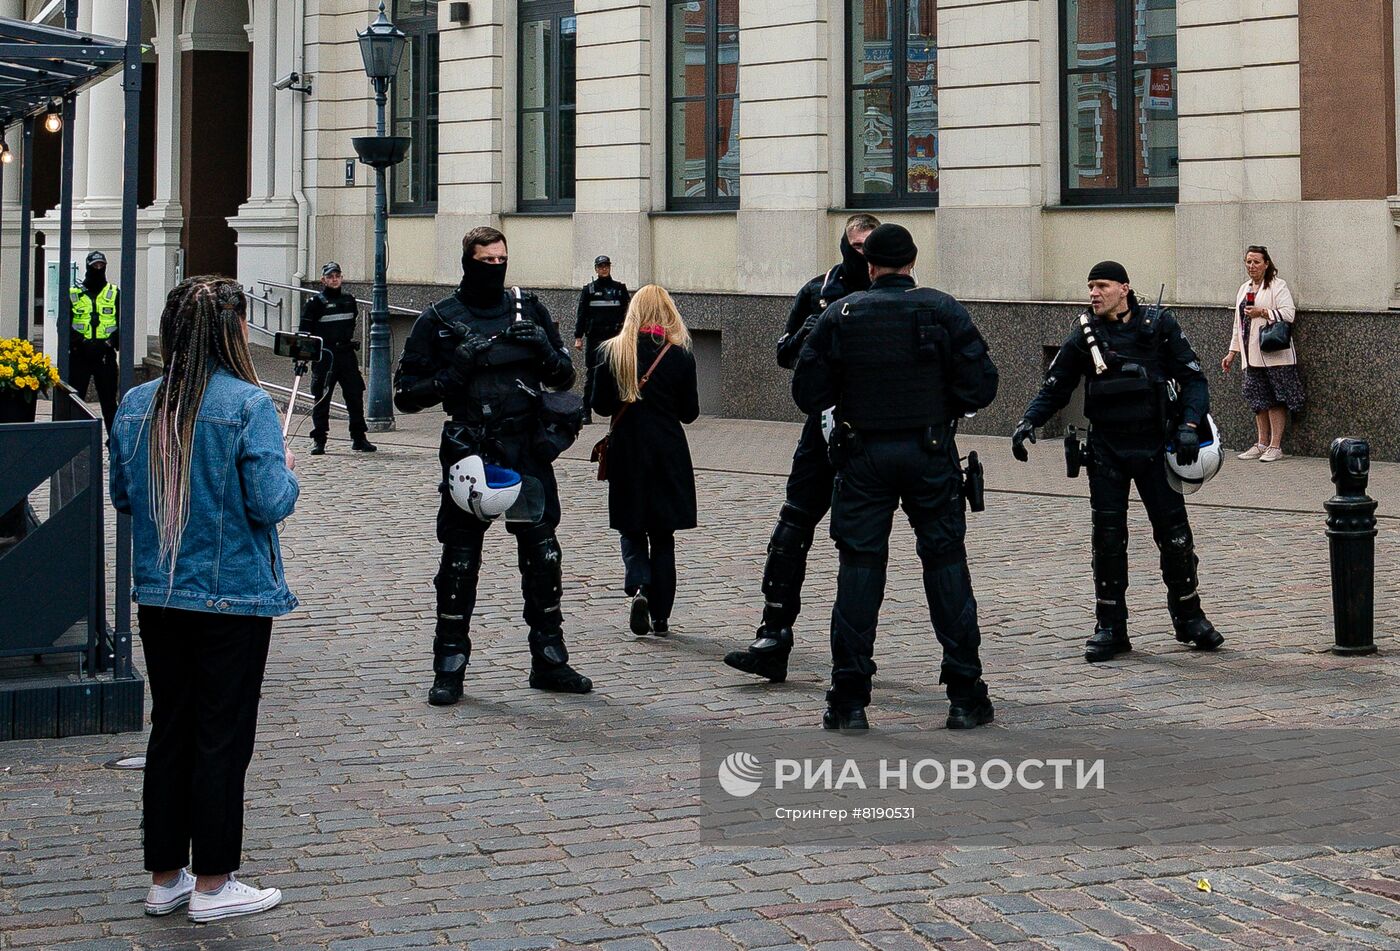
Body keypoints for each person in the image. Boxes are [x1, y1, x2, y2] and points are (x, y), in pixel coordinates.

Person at [109, 276, 297, 922]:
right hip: (232, 594)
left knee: (173, 729)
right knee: (222, 735)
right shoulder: (247, 406)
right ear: (233, 331)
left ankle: (166, 874)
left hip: (160, 591)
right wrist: (288, 470)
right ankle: (215, 880)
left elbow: (126, 496)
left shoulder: (137, 403)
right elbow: (269, 502)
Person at [792, 223, 999, 731]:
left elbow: (807, 391)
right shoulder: (943, 309)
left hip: (862, 456)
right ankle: (964, 694)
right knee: (946, 566)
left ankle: (848, 699)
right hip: (929, 453)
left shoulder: (841, 313)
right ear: (911, 263)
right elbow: (981, 386)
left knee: (859, 571)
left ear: (869, 266)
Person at [395, 226, 593, 705]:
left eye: (501, 259)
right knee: (460, 562)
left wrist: (546, 351)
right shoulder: (439, 319)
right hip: (470, 451)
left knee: (543, 555)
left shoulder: (528, 307)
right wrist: (453, 371)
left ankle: (549, 659)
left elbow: (565, 375)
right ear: (468, 261)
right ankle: (449, 665)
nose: (496, 267)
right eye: (486, 260)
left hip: (525, 450)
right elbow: (405, 396)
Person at [1011, 261, 1224, 663]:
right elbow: (1056, 386)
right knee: (1108, 540)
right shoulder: (1085, 333)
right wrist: (1028, 421)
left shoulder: (1159, 325)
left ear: (1124, 288)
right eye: (1090, 286)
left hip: (1155, 446)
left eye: (1102, 285)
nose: (1093, 293)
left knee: (1175, 536)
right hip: (1107, 448)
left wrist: (1190, 425)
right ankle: (1110, 627)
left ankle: (1189, 617)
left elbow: (1194, 379)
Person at [723, 213, 880, 684]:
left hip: (879, 430)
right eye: (856, 245)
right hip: (823, 424)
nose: (863, 255)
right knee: (792, 527)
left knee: (868, 543)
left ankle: (859, 655)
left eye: (870, 246)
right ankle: (773, 635)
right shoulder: (818, 289)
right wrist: (807, 332)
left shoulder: (899, 293)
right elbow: (783, 353)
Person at [591, 285, 700, 637]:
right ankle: (662, 616)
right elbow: (690, 412)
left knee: (631, 525)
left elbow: (602, 406)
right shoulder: (680, 353)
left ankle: (639, 586)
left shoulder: (612, 351)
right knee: (663, 535)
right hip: (668, 450)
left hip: (627, 448)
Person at [1222, 245, 1302, 462]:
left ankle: (1276, 445)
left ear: (1266, 264)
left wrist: (1263, 312)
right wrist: (1232, 353)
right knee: (1258, 399)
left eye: (1256, 262)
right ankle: (1261, 442)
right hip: (1251, 355)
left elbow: (1289, 314)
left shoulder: (1277, 286)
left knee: (1276, 399)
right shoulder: (1244, 288)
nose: (1252, 266)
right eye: (1248, 261)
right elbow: (1238, 324)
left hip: (1274, 354)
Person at [299, 262, 375, 454]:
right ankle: (320, 440)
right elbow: (305, 333)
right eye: (330, 276)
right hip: (325, 357)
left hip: (346, 356)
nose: (334, 279)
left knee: (355, 397)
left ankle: (359, 438)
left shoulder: (349, 300)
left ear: (341, 278)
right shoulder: (315, 303)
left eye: (337, 276)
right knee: (322, 399)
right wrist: (301, 359)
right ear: (323, 279)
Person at [574, 255, 631, 424]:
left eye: (606, 266)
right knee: (592, 374)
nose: (604, 269)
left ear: (610, 267)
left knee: (618, 372)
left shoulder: (620, 289)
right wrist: (578, 336)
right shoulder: (589, 290)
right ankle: (586, 411)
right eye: (601, 266)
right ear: (596, 269)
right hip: (595, 338)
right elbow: (582, 315)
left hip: (615, 338)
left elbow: (628, 314)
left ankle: (620, 409)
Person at [69, 250, 120, 432]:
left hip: (104, 356)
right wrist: (78, 342)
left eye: (101, 265)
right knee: (76, 400)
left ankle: (113, 440)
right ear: (88, 267)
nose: (98, 268)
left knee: (109, 402)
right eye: (94, 266)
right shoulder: (74, 293)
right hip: (79, 356)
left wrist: (110, 343)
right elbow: (65, 322)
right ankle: (75, 437)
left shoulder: (113, 292)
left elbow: (121, 321)